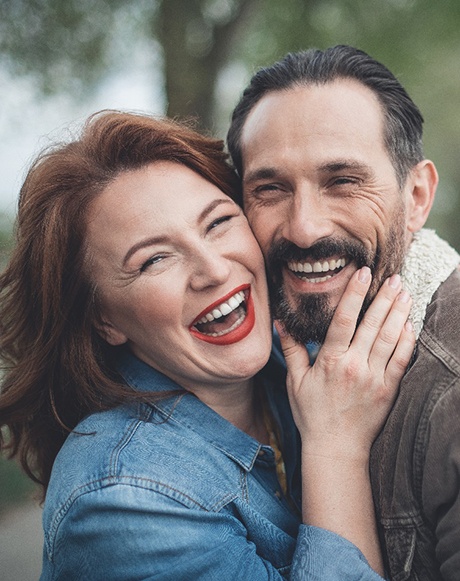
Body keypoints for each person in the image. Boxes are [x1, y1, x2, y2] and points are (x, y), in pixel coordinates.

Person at [0, 111, 415, 580]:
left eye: (217, 223)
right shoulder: (124, 500)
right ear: (104, 319)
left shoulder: (296, 357)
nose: (215, 270)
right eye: (155, 259)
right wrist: (335, 447)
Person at [227, 45, 460, 580]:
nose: (305, 228)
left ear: (417, 196)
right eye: (270, 188)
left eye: (343, 181)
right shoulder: (262, 357)